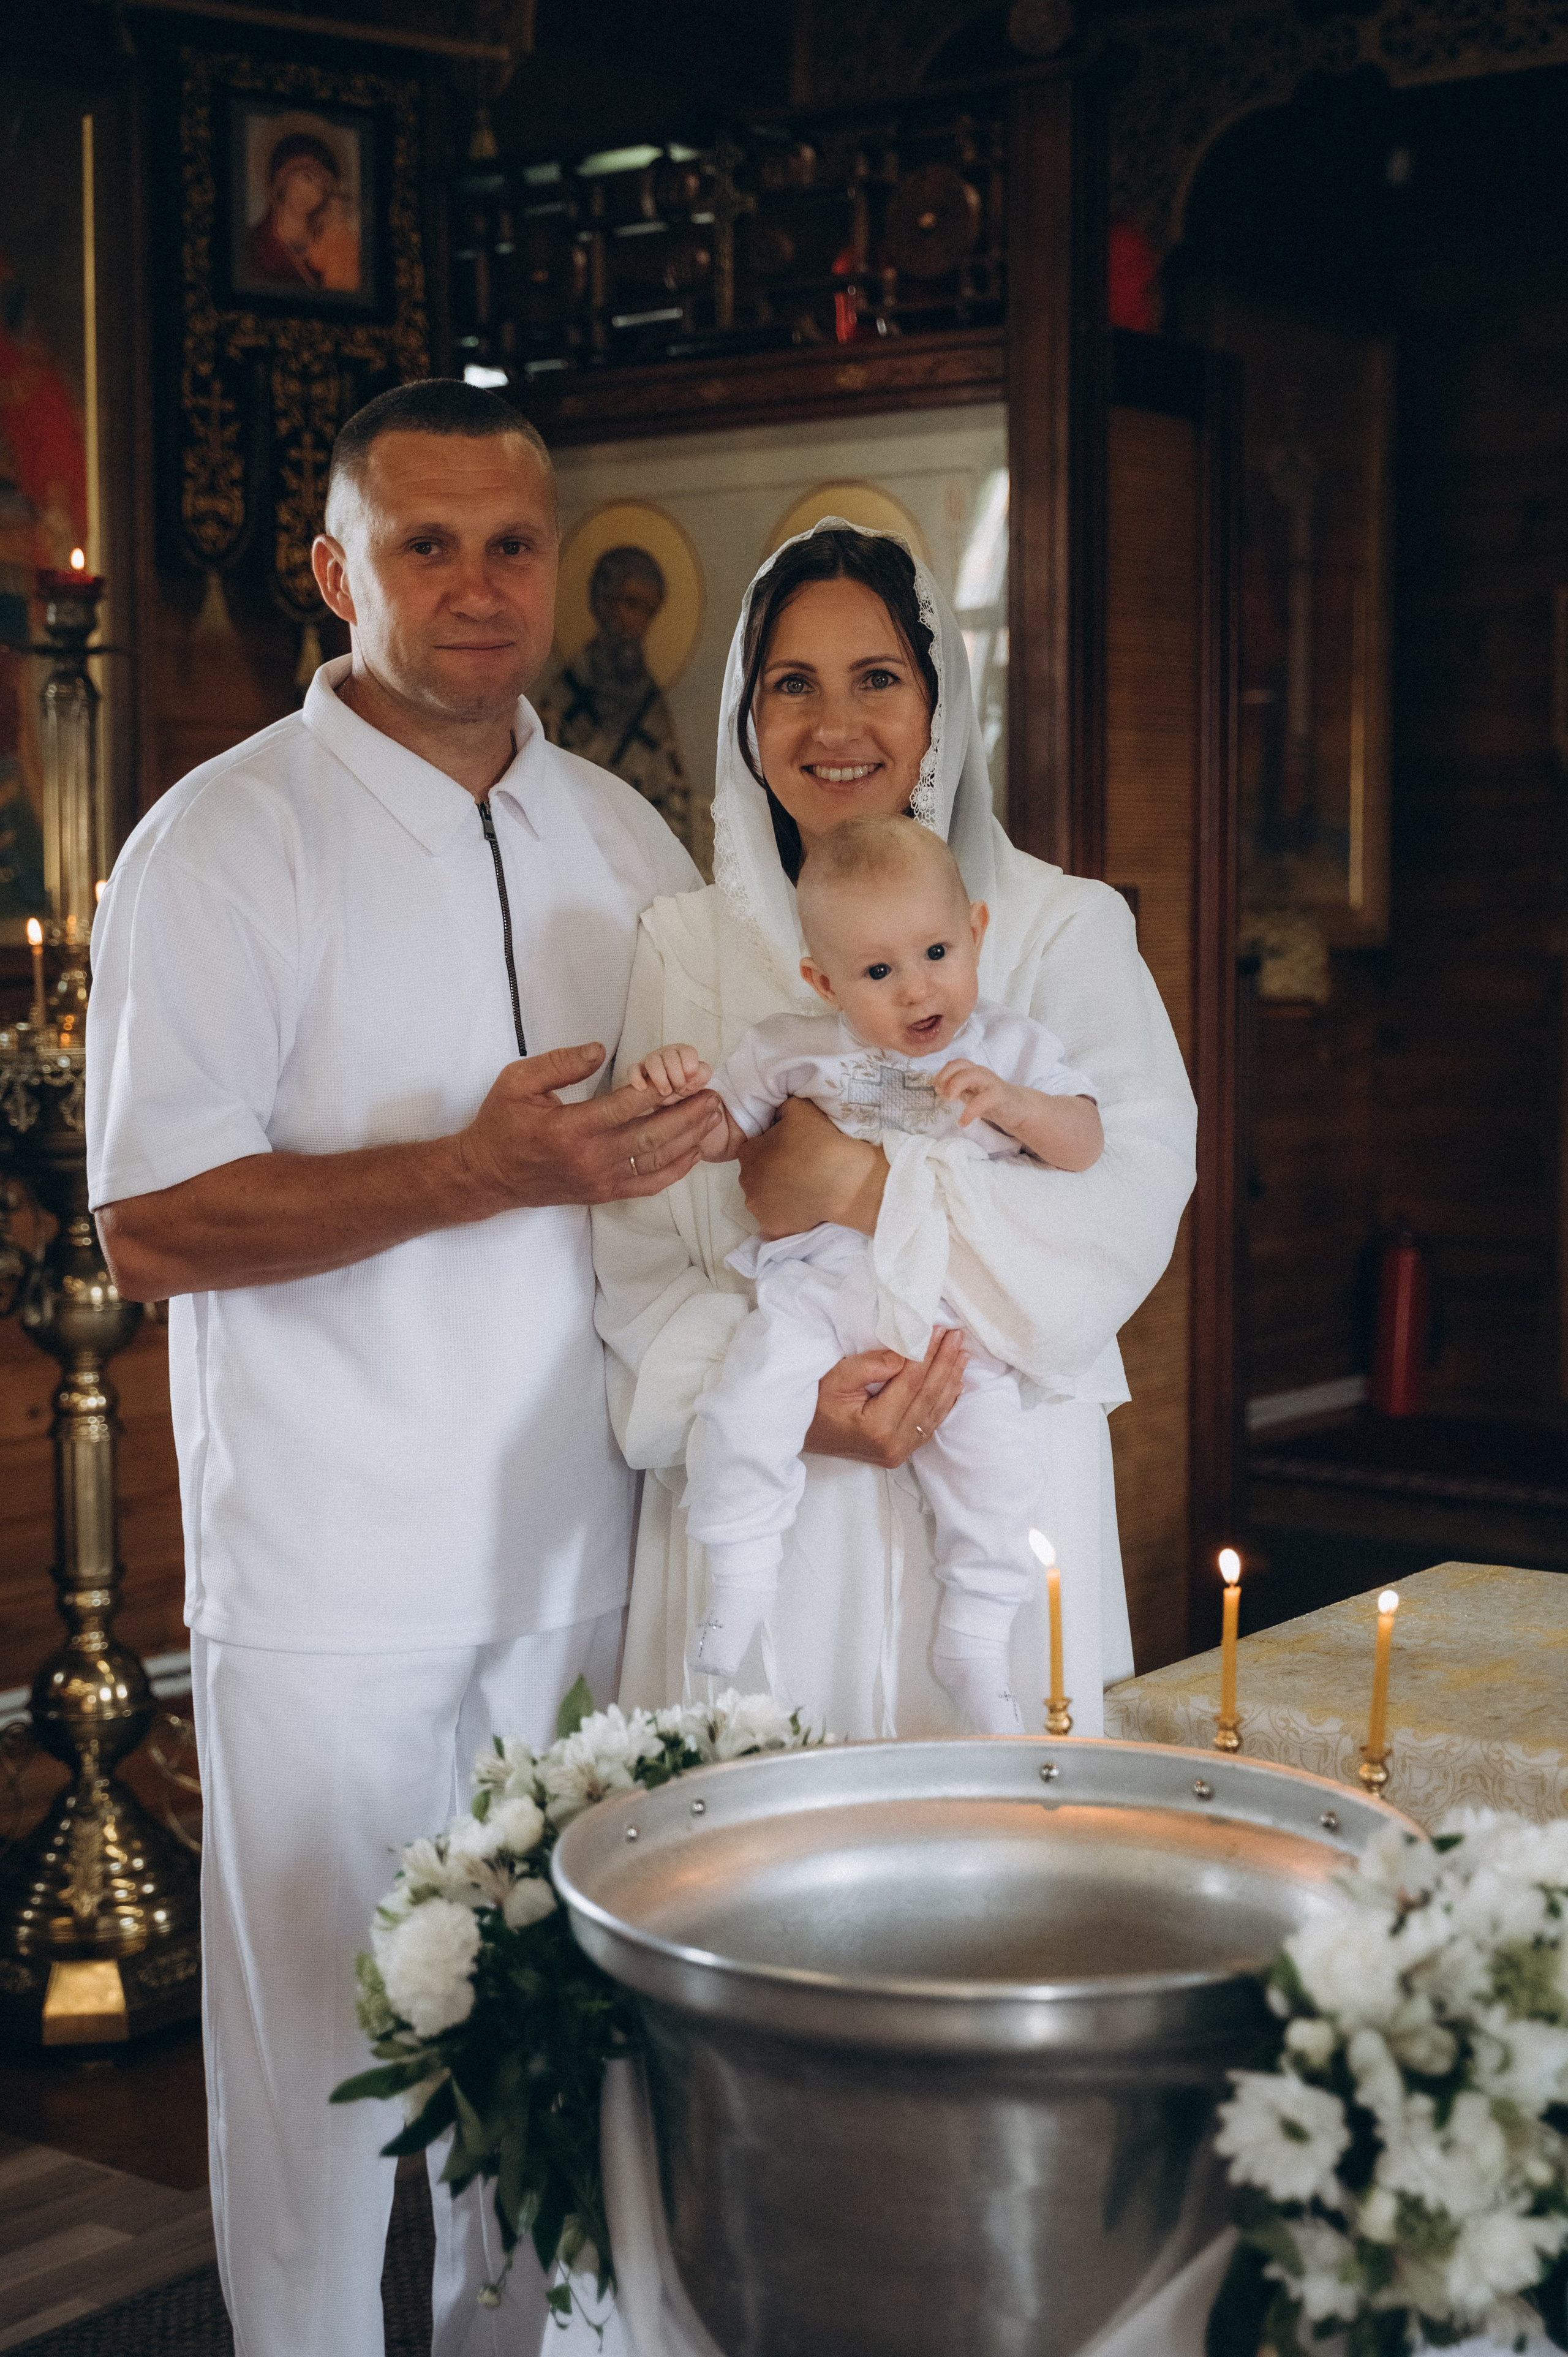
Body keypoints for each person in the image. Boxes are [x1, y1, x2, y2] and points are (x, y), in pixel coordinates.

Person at [86, 379, 720, 2357]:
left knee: (544, 2058)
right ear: (332, 565)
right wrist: (474, 1165)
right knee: (323, 2090)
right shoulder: (220, 841)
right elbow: (151, 1224)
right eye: (421, 544)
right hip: (336, 1570)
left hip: (582, 1554)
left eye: (509, 545)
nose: (474, 586)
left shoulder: (621, 829)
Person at [592, 519, 1197, 1740]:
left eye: (877, 679)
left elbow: (1120, 1214)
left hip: (997, 1450)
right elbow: (636, 1260)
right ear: (745, 723)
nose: (834, 726)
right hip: (767, 1484)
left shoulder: (1057, 927)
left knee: (1000, 1877)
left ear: (938, 705)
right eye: (790, 686)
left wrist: (859, 1185)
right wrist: (801, 1402)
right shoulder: (680, 943)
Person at [627, 814, 1103, 1731]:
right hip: (819, 1284)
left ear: (976, 932)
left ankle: (975, 1632)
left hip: (946, 1306)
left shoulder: (1007, 1047)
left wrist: (1019, 1107)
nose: (918, 990)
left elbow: (1085, 1144)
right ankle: (740, 1569)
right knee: (747, 1401)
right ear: (824, 981)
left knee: (997, 1471)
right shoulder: (791, 1046)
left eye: (936, 952)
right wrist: (680, 1088)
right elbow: (728, 1133)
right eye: (879, 973)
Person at [535, 545, 693, 854]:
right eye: (631, 604)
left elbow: (675, 799)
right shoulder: (567, 694)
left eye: (649, 611)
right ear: (602, 603)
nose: (637, 623)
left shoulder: (652, 706)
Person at [246, 128, 360, 293]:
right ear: (283, 177)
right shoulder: (253, 244)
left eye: (321, 190)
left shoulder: (335, 245)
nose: (311, 194)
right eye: (307, 178)